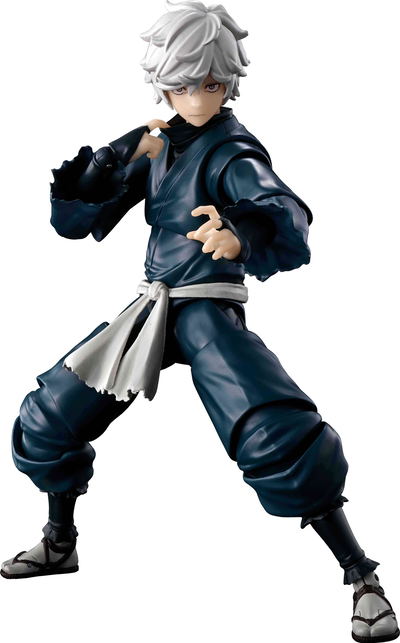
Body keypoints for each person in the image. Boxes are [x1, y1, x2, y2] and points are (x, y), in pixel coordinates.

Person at [1, 2, 398, 640]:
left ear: (228, 83)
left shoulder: (232, 151)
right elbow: (74, 221)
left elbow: (285, 211)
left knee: (276, 434)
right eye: (181, 85)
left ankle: (362, 577)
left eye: (209, 84)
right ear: (162, 84)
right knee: (48, 418)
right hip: (151, 309)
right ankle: (59, 540)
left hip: (208, 308)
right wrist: (115, 154)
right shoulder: (160, 143)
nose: (195, 98)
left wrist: (241, 232)